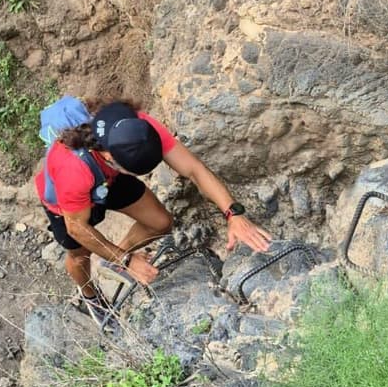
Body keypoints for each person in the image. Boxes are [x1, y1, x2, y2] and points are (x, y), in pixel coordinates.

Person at [34, 98, 271, 323]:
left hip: (110, 179)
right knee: (80, 255)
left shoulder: (137, 127)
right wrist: (128, 261)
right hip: (67, 201)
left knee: (159, 222)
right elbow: (76, 227)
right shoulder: (72, 168)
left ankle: (112, 262)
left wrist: (233, 213)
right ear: (109, 156)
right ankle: (91, 297)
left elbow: (194, 169)